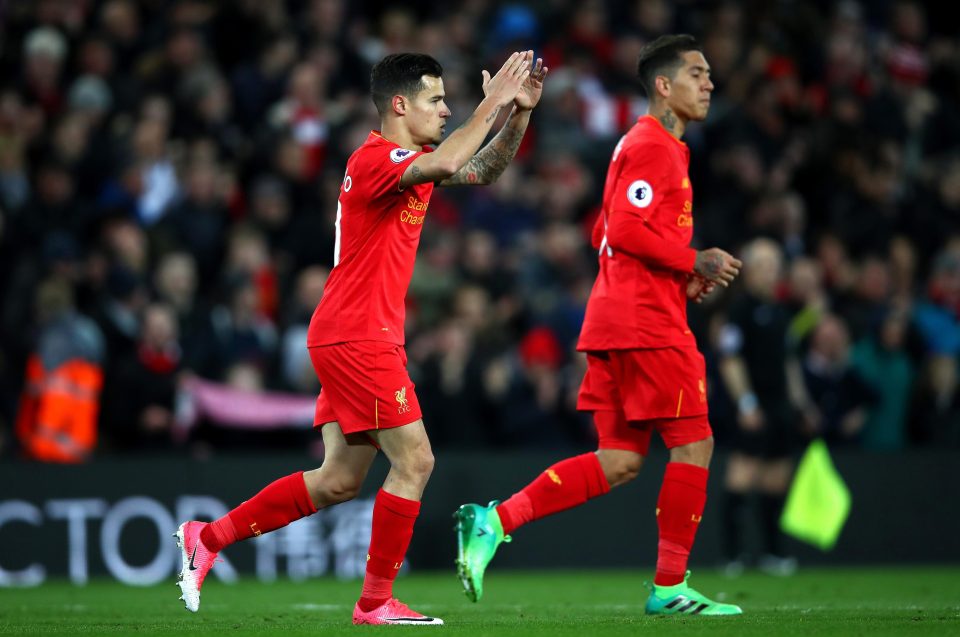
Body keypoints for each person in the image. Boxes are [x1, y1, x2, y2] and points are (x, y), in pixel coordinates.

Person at [175, 50, 548, 625]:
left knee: (335, 482)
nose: (448, 109)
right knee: (416, 462)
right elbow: (452, 163)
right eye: (436, 99)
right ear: (400, 105)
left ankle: (208, 537)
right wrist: (492, 99)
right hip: (358, 334)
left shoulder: (414, 164)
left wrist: (517, 116)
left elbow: (479, 170)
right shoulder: (376, 160)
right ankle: (375, 602)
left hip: (352, 332)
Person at [455, 34, 744, 616]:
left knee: (620, 460)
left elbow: (602, 234)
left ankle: (495, 520)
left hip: (616, 317)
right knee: (695, 444)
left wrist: (676, 278)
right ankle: (668, 588)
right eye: (696, 72)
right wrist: (694, 261)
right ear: (663, 86)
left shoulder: (643, 146)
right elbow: (627, 231)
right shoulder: (656, 145)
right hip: (647, 324)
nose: (709, 82)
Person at [716, 238, 812, 577]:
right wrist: (746, 403)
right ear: (749, 272)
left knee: (776, 482)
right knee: (741, 477)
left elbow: (789, 363)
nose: (771, 274)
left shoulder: (783, 313)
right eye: (763, 266)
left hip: (780, 405)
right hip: (753, 405)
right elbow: (730, 359)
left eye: (775, 266)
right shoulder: (740, 310)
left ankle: (772, 553)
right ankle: (731, 556)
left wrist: (802, 404)